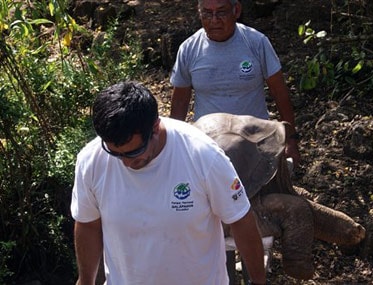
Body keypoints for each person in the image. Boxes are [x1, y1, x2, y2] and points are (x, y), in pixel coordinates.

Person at [70, 80, 266, 285]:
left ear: (155, 128)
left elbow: (240, 219)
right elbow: (88, 225)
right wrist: (86, 281)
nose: (126, 163)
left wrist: (258, 281)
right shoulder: (91, 161)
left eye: (134, 152)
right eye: (115, 153)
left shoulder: (202, 156)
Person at [170, 0, 300, 167]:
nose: (214, 20)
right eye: (207, 13)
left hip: (256, 141)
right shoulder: (188, 49)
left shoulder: (256, 42)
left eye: (221, 12)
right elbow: (180, 102)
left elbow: (280, 92)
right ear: (199, 12)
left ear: (236, 10)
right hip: (208, 144)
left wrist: (291, 140)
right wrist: (173, 146)